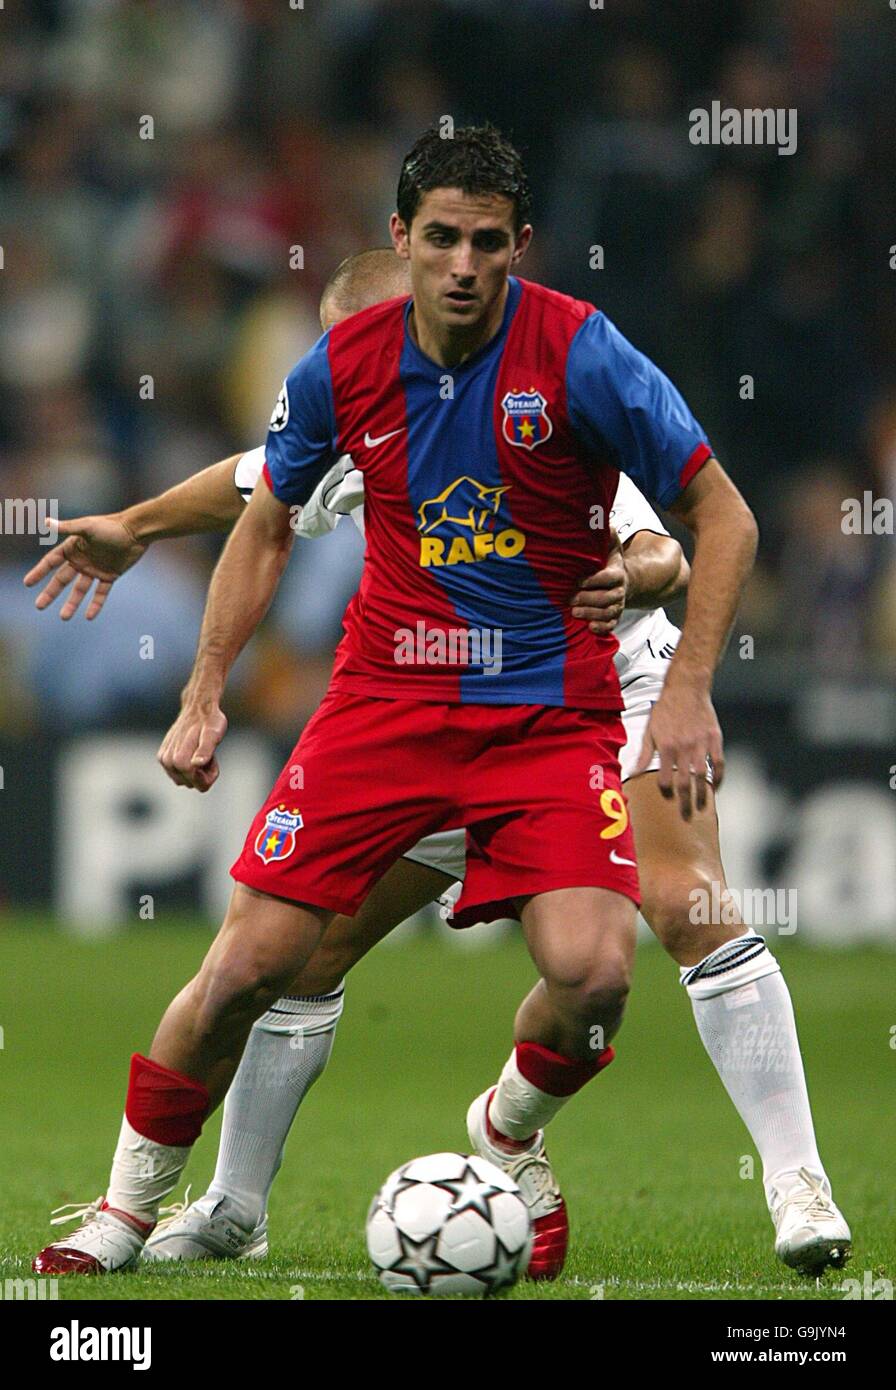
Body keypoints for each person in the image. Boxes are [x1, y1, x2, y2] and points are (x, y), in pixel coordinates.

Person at [28, 124, 782, 1283]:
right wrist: (143, 561)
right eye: (441, 241)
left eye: (483, 244)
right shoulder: (347, 380)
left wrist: (661, 636)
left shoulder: (572, 374)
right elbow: (253, 491)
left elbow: (679, 538)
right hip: (391, 712)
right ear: (404, 247)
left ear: (512, 250)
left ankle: (515, 1129)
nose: (462, 267)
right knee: (261, 963)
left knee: (611, 958)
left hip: (565, 699)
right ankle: (149, 1205)